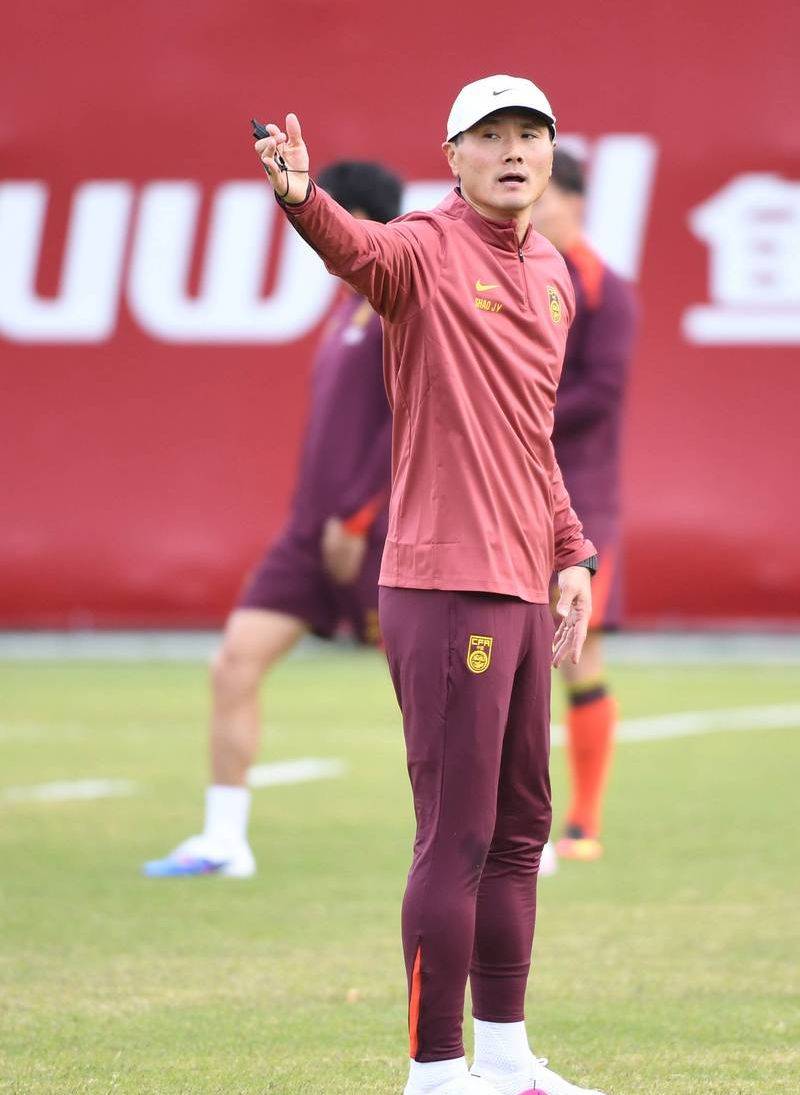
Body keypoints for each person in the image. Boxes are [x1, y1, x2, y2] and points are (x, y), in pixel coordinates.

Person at [254, 74, 607, 1095]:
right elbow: (355, 249)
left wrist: (571, 552)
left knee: (519, 833)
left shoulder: (552, 272)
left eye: (529, 134)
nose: (512, 151)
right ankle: (435, 1071)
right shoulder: (422, 248)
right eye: (488, 135)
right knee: (455, 836)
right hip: (445, 583)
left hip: (521, 582)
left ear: (549, 153)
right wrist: (301, 199)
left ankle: (503, 1057)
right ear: (452, 157)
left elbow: (530, 437)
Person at [143, 160, 402, 879]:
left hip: (373, 535)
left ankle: (518, 835)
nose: (313, 236)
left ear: (357, 222)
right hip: (307, 533)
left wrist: (359, 517)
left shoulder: (399, 306)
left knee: (442, 691)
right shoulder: (342, 306)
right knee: (234, 662)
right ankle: (225, 840)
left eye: (324, 217)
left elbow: (412, 423)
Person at [534, 150, 638, 865]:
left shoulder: (605, 289)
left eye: (544, 195)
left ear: (574, 201)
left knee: (579, 647)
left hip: (582, 497)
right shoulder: (508, 272)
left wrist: (518, 414)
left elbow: (601, 391)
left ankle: (582, 820)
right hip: (511, 490)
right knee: (507, 648)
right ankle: (514, 818)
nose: (532, 209)